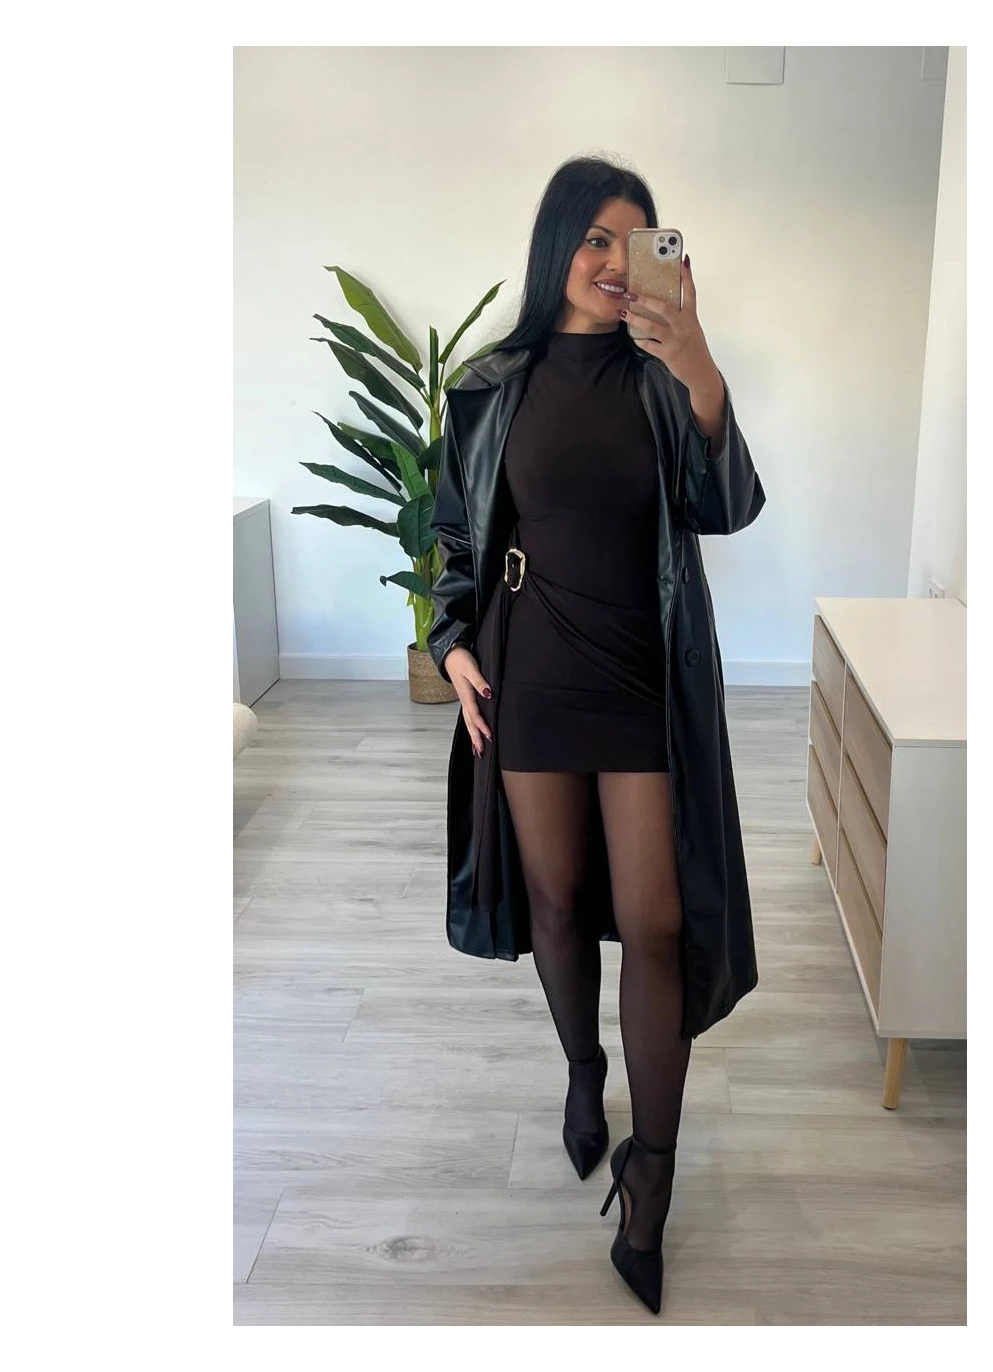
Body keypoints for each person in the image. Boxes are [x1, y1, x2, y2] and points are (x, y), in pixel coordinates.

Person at [428, 155, 766, 1316]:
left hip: (643, 677)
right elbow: (457, 536)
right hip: (532, 671)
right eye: (596, 240)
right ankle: (585, 1072)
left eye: (637, 242)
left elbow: (727, 506)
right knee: (559, 900)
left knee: (659, 924)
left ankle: (652, 1170)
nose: (617, 264)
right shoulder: (491, 384)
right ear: (558, 247)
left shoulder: (667, 378)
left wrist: (700, 360)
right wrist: (451, 640)